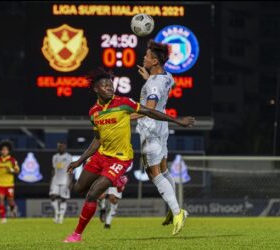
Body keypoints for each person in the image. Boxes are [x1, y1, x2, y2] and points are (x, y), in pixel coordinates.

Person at [63, 68, 195, 243]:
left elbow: (149, 111)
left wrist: (177, 121)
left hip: (120, 158)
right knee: (78, 189)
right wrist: (79, 161)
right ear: (96, 89)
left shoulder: (123, 103)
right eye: (106, 86)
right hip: (100, 156)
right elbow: (97, 139)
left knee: (93, 194)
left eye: (111, 85)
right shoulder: (93, 112)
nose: (110, 88)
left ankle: (76, 234)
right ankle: (116, 180)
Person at [132, 40, 190, 231]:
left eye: (147, 56)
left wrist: (123, 117)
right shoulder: (167, 76)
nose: (144, 58)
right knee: (164, 169)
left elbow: (148, 109)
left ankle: (177, 211)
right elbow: (159, 88)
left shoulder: (154, 84)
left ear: (155, 61)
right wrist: (148, 78)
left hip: (150, 129)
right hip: (162, 127)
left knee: (153, 173)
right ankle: (173, 207)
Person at [0, 140, 20, 223]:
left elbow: (17, 171)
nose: (4, 151)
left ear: (8, 151)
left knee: (10, 201)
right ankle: (3, 218)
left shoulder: (12, 160)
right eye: (3, 150)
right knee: (1, 199)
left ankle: (13, 208)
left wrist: (11, 170)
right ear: (0, 151)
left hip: (9, 184)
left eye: (6, 150)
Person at [49, 142, 73, 224]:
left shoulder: (68, 157)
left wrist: (71, 181)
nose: (60, 148)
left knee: (63, 199)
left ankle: (61, 217)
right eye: (59, 146)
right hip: (55, 179)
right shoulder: (54, 157)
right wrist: (51, 180)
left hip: (65, 180)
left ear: (65, 147)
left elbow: (71, 169)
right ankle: (57, 214)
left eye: (62, 146)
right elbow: (53, 169)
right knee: (52, 196)